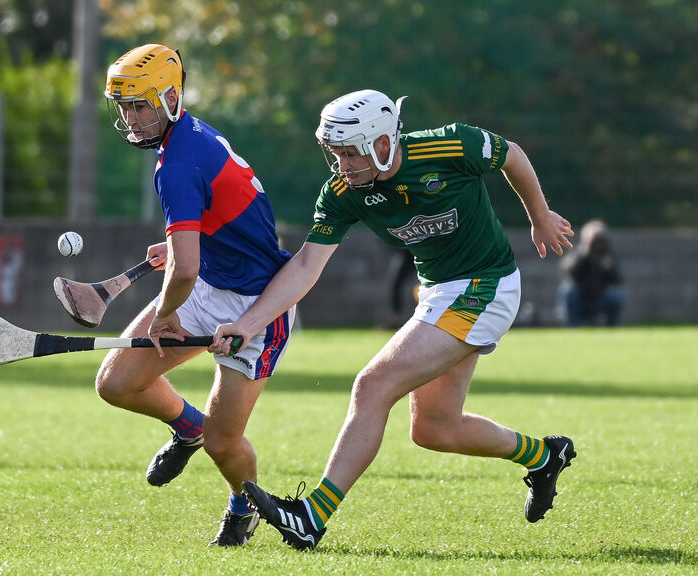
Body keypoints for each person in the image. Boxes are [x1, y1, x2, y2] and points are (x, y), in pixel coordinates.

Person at [212, 89, 577, 550]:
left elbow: (511, 154)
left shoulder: (449, 146)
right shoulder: (344, 192)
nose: (342, 165)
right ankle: (544, 456)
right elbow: (306, 266)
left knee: (372, 385)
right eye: (335, 154)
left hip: (486, 285)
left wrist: (539, 216)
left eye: (350, 153)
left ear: (384, 142)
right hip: (439, 292)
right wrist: (248, 323)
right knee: (434, 429)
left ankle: (311, 516)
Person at [97, 44, 294, 547]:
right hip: (208, 283)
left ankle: (240, 505)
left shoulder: (177, 162)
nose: (131, 119)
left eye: (139, 106)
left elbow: (184, 269)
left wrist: (164, 315)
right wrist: (184, 244)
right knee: (116, 383)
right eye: (123, 107)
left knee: (226, 444)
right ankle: (189, 428)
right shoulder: (188, 135)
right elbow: (204, 237)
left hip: (257, 304)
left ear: (169, 97)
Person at [558, 219, 623, 326]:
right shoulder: (578, 254)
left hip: (599, 298)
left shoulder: (607, 256)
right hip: (579, 298)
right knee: (568, 291)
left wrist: (608, 266)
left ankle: (611, 330)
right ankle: (572, 328)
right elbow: (568, 272)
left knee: (615, 297)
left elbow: (617, 279)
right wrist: (584, 254)